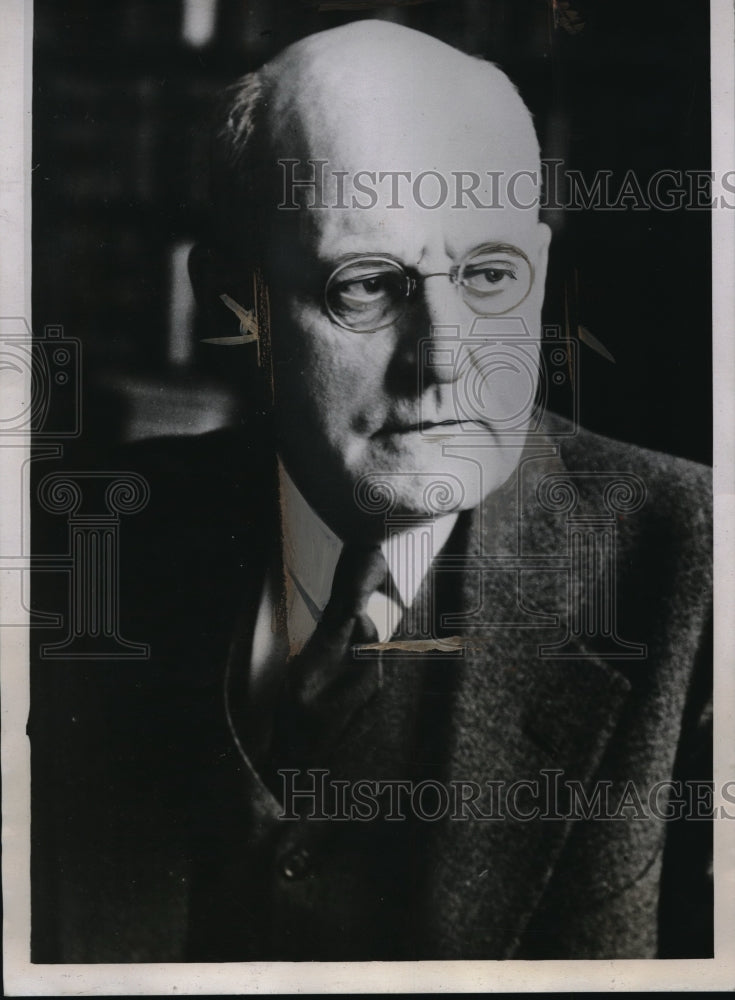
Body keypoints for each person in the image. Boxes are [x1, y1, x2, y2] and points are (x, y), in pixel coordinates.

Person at [31, 20, 712, 963]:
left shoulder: (700, 574)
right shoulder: (74, 552)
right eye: (364, 286)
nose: (445, 359)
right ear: (237, 304)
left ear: (539, 275)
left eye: (487, 276)